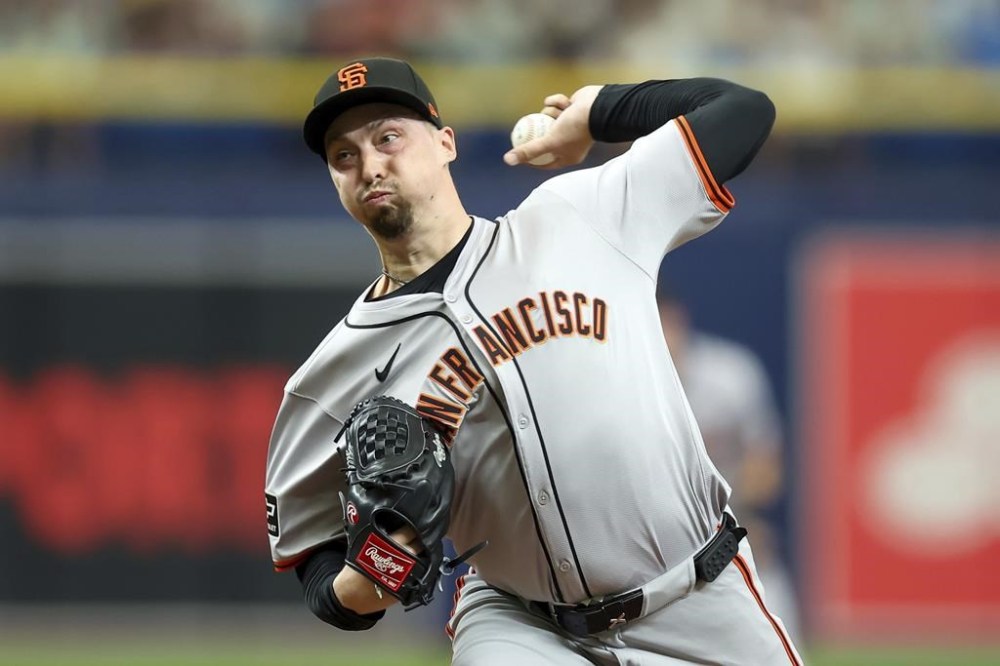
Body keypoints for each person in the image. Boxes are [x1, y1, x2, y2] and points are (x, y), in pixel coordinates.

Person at [264, 56, 800, 664]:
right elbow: (314, 564)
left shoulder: (580, 217)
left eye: (388, 137)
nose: (370, 164)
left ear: (445, 144)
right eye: (344, 156)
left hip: (701, 599)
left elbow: (742, 111)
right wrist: (372, 574)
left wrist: (599, 109)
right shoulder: (329, 376)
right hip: (518, 623)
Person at [658, 289, 802, 645]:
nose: (662, 334)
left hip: (732, 533)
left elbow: (766, 467)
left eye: (666, 322)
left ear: (680, 320)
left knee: (779, 632)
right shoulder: (618, 385)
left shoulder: (730, 375)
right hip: (658, 549)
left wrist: (734, 522)